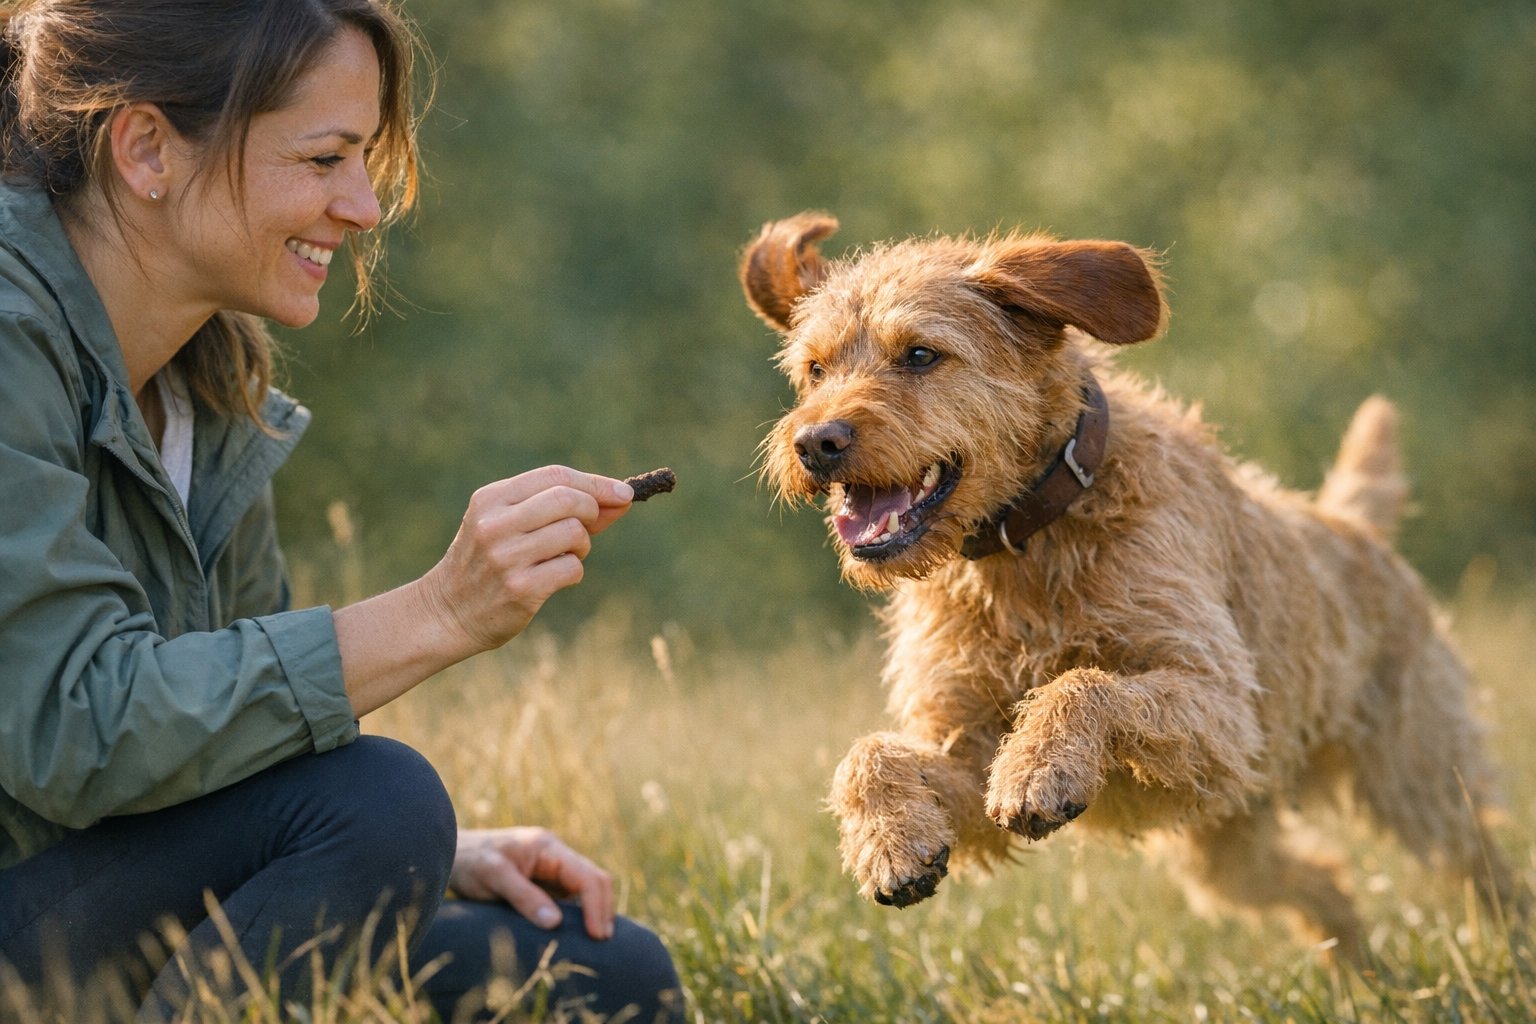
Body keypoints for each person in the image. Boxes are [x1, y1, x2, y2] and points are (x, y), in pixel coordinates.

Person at [0, 1, 683, 1020]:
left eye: (362, 159)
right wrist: (440, 612)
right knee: (379, 801)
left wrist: (429, 857)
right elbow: (77, 723)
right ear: (147, 147)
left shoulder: (204, 381)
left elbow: (226, 757)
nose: (363, 206)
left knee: (607, 971)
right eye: (323, 160)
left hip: (81, 901)